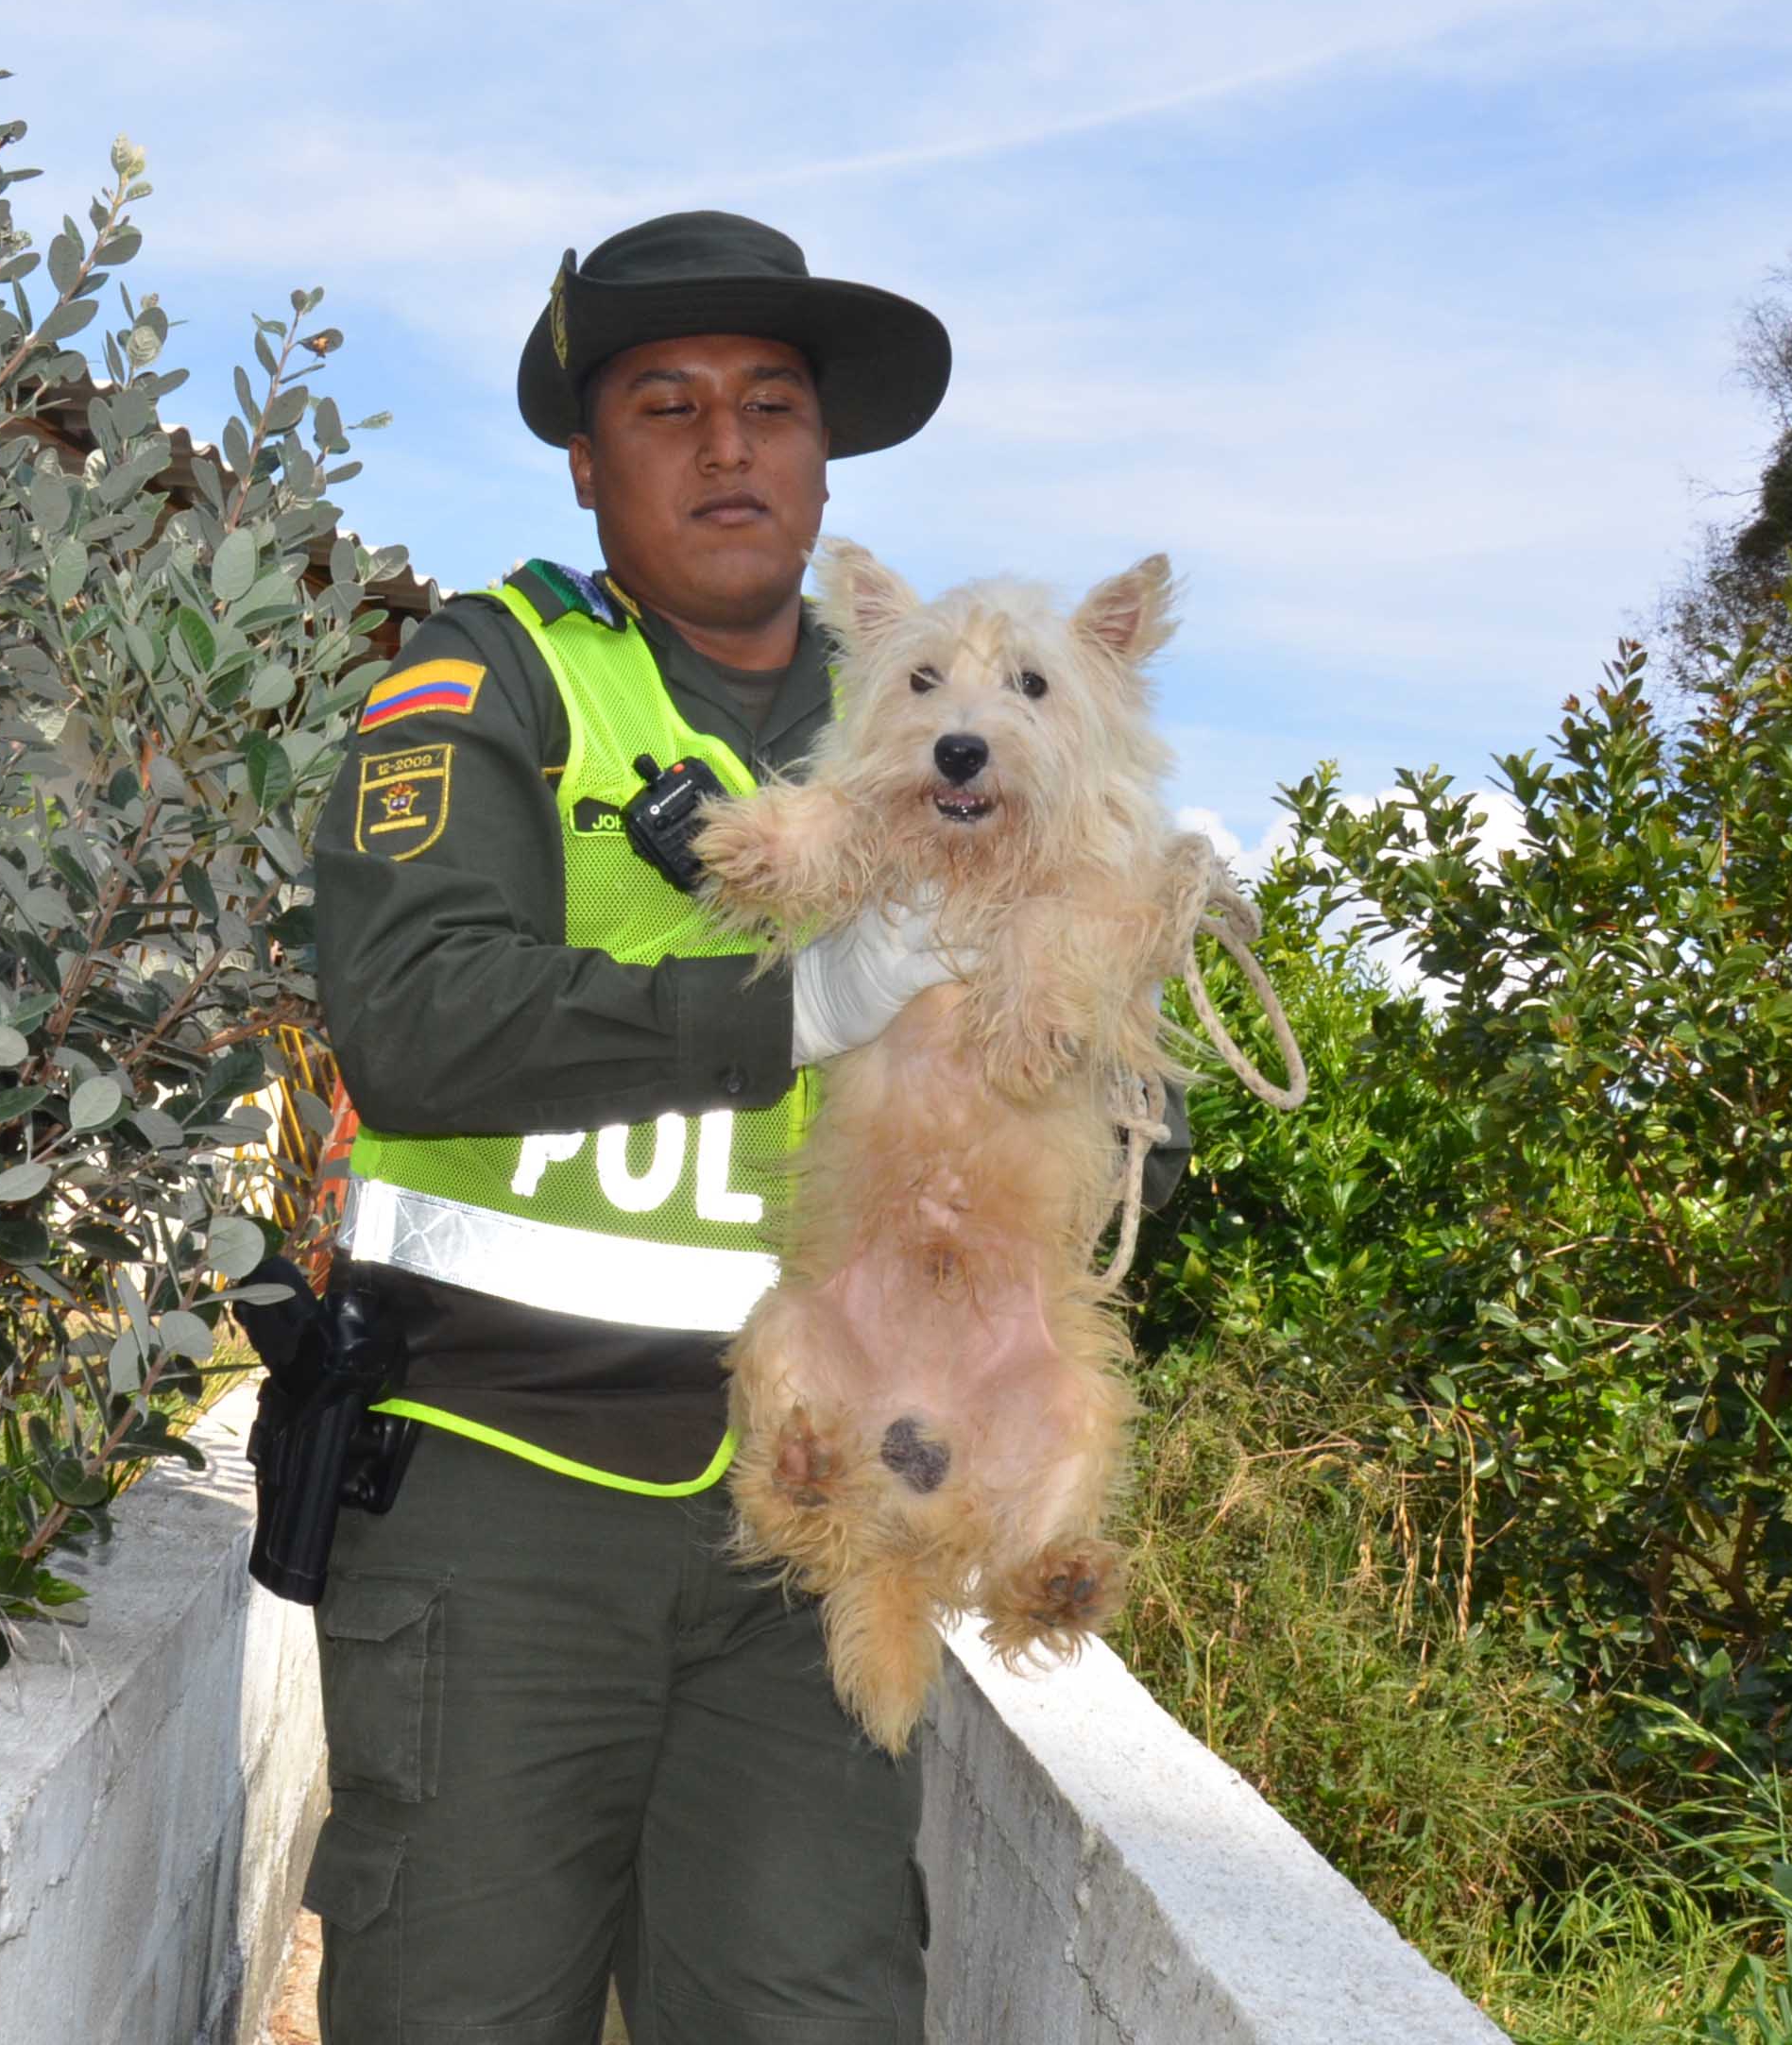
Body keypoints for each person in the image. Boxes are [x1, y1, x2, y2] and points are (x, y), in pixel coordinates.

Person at [301, 210, 1185, 2044]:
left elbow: (1098, 1151)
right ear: (585, 454)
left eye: (771, 407)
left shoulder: (945, 700)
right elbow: (412, 1020)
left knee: (811, 2016)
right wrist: (799, 1001)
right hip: (498, 1494)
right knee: (457, 2009)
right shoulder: (492, 680)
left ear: (824, 455)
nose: (728, 448)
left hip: (825, 1512)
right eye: (668, 403)